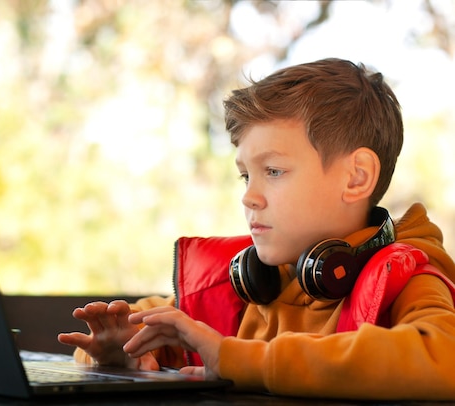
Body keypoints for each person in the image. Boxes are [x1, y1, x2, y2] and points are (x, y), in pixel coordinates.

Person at [57, 58, 455, 400]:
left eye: (274, 171)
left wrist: (241, 361)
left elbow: (445, 358)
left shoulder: (407, 280)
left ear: (356, 177)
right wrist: (117, 351)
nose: (250, 197)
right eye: (245, 176)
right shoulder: (255, 284)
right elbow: (147, 322)